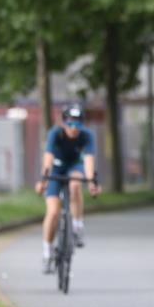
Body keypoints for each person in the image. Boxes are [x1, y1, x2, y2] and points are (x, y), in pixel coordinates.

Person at [34, 104, 101, 274]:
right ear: (64, 123)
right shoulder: (55, 134)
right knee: (53, 212)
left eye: (78, 124)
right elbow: (48, 158)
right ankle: (47, 253)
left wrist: (92, 182)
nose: (74, 128)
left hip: (74, 167)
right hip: (56, 169)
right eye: (70, 124)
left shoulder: (86, 136)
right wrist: (43, 181)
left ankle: (77, 226)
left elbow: (88, 160)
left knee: (76, 184)